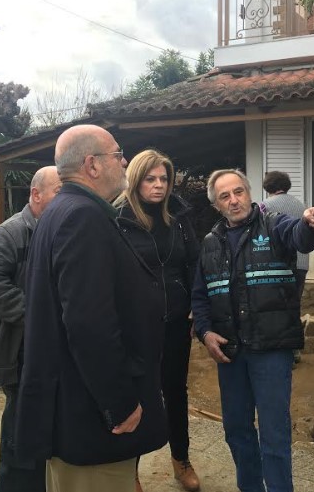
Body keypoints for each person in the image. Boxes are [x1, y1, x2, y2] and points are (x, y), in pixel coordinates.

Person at [15, 125, 168, 492]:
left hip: (75, 411)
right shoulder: (82, 217)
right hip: (91, 420)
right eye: (118, 154)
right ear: (92, 165)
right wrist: (119, 403)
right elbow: (89, 324)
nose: (125, 162)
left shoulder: (61, 211)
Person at [191, 169, 314, 492]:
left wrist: (311, 225)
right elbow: (200, 296)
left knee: (274, 433)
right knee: (236, 430)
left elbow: (300, 236)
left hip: (271, 349)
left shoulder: (274, 225)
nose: (233, 200)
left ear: (249, 193)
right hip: (231, 352)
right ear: (216, 205)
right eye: (225, 196)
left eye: (238, 191)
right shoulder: (210, 243)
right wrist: (205, 332)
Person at [0, 165, 61, 492]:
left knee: (43, 438)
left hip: (45, 352)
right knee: (20, 443)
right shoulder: (10, 233)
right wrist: (37, 314)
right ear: (36, 194)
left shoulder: (56, 231)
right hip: (19, 353)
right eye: (59, 193)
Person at [114, 150, 201, 492]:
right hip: (136, 326)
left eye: (164, 178)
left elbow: (193, 263)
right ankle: (130, 471)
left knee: (175, 392)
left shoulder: (178, 218)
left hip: (176, 322)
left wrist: (196, 306)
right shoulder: (118, 219)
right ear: (135, 181)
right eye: (150, 179)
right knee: (138, 395)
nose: (159, 185)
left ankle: (181, 459)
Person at [262, 171, 308, 298]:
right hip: (301, 263)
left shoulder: (265, 206)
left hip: (275, 264)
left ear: (267, 186)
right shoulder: (301, 206)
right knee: (295, 302)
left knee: (274, 303)